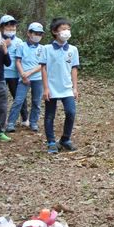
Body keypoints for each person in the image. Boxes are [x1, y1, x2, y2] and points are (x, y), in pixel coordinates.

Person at [40, 18, 79, 154]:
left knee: (71, 112)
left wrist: (75, 88)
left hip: (67, 88)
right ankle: (51, 142)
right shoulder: (46, 49)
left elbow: (74, 69)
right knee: (50, 115)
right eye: (63, 29)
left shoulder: (73, 49)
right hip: (51, 87)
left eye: (68, 29)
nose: (66, 31)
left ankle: (65, 139)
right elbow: (43, 69)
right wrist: (45, 88)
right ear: (54, 32)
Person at [6, 22, 45, 133]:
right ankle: (11, 123)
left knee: (36, 101)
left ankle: (33, 122)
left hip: (37, 78)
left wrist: (29, 73)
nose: (38, 36)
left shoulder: (42, 48)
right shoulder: (21, 46)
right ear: (29, 33)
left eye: (40, 34)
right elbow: (18, 61)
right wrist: (23, 74)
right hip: (23, 78)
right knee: (18, 100)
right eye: (35, 33)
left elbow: (41, 64)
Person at [0, 15, 29, 131]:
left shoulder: (19, 41)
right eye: (8, 25)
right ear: (2, 27)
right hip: (0, 73)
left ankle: (25, 118)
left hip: (15, 74)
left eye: (13, 25)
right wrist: (4, 46)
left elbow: (22, 58)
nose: (11, 28)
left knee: (19, 97)